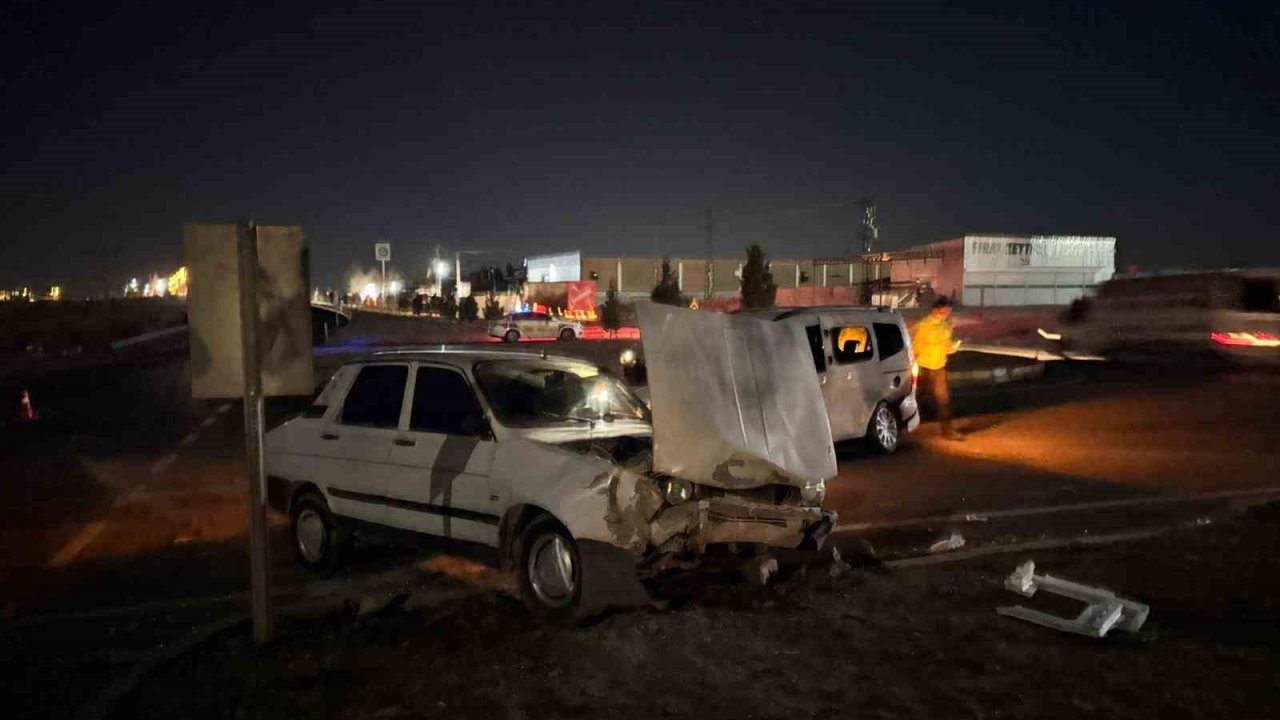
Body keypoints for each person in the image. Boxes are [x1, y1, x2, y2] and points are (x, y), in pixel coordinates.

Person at [912, 297, 962, 439]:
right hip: (924, 367)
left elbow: (947, 346)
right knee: (915, 397)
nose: (947, 314)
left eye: (948, 312)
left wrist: (954, 347)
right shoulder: (924, 325)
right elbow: (917, 345)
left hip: (939, 366)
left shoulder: (946, 326)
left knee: (943, 399)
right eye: (945, 311)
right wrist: (913, 362)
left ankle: (947, 431)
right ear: (936, 310)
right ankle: (903, 426)